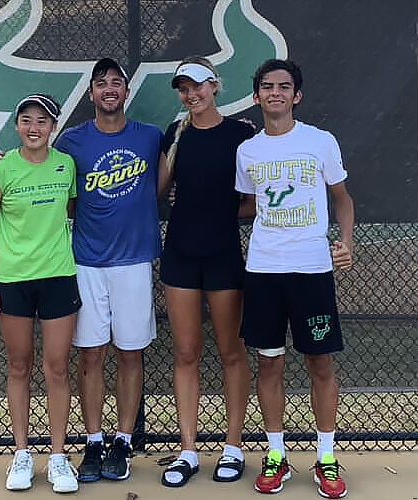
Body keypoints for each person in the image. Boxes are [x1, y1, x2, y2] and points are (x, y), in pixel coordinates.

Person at [0, 58, 165, 483]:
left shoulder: (150, 136)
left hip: (134, 260)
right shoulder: (72, 145)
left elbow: (168, 172)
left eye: (116, 82)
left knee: (130, 352)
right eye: (100, 83)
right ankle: (93, 441)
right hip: (84, 262)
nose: (108, 89)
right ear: (91, 93)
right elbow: (45, 187)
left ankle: (123, 441)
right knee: (90, 354)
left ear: (126, 91)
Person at [235, 59, 354, 499]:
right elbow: (249, 204)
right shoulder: (248, 151)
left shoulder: (320, 142)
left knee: (320, 363)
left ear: (296, 96)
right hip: (264, 270)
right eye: (267, 86)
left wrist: (346, 241)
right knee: (270, 363)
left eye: (284, 87)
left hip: (312, 270)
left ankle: (326, 457)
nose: (275, 93)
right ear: (257, 96)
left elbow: (343, 199)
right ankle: (276, 455)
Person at [157, 56, 255, 488]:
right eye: (184, 88)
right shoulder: (175, 134)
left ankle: (233, 447)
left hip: (223, 256)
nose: (191, 94)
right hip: (180, 255)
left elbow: (256, 201)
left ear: (214, 85)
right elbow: (158, 189)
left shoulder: (241, 135)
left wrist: (222, 214)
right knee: (185, 353)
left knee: (232, 352)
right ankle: (188, 451)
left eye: (197, 85)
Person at [0, 94, 81, 493]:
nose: (33, 128)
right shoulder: (1, 169)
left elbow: (71, 211)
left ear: (53, 127)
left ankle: (57, 456)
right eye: (26, 120)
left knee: (57, 368)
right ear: (17, 125)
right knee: (20, 366)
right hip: (13, 281)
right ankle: (21, 453)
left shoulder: (66, 165)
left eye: (42, 121)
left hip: (58, 277)